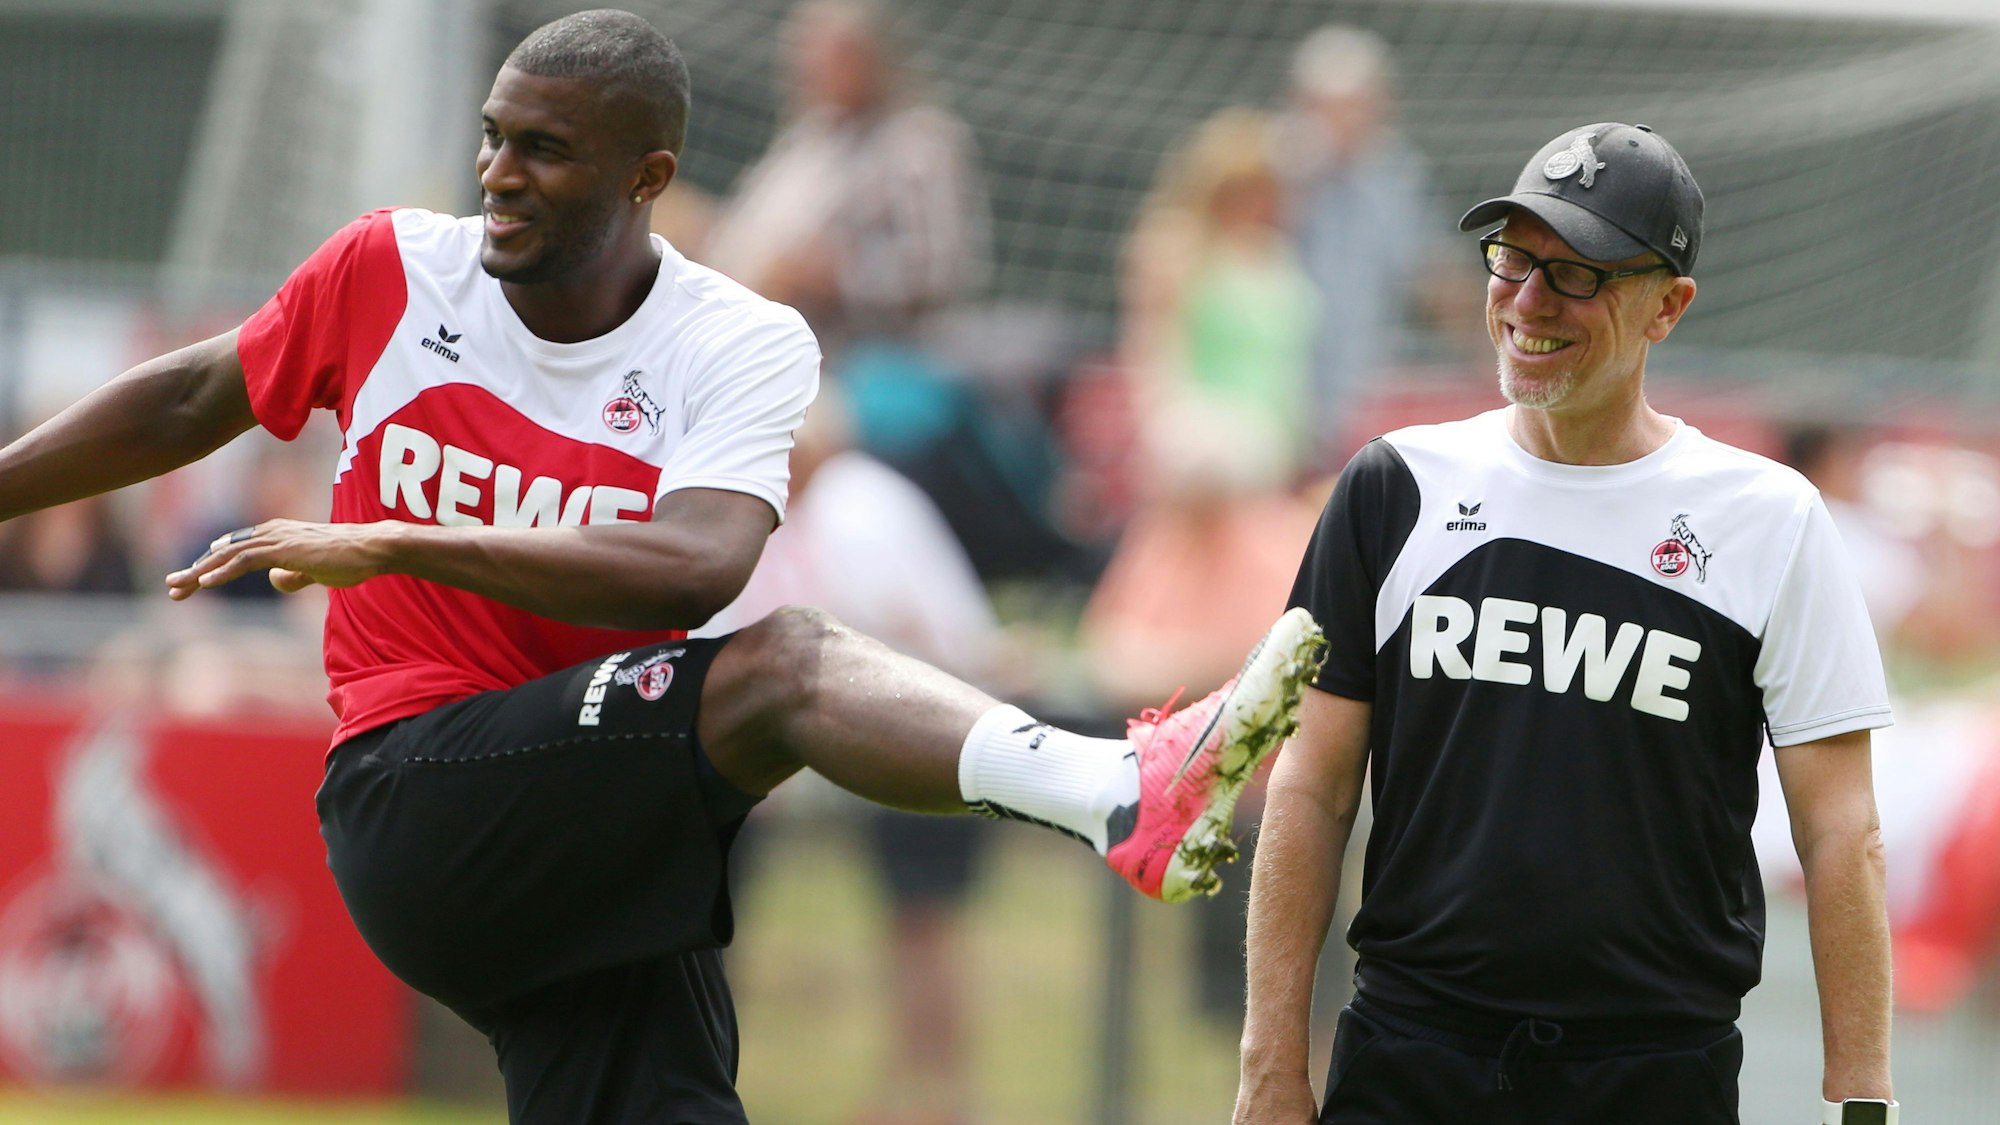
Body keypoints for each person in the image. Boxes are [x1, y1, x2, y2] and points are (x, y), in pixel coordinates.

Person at [0, 11, 1324, 1125]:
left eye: (548, 151)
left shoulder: (735, 343)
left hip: (585, 811)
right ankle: (1118, 792)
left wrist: (400, 538)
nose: (501, 174)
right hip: (416, 791)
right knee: (787, 666)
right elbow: (192, 396)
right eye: (495, 139)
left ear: (649, 175)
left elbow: (694, 569)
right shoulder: (393, 271)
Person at [1235, 123, 1899, 1125]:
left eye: (1577, 274)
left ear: (1666, 308)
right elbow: (1310, 790)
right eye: (1512, 259)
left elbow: (1838, 830)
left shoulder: (1767, 519)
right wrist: (1269, 1068)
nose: (1528, 300)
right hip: (1411, 1059)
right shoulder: (1391, 485)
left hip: (1650, 1073)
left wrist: (1860, 1103)